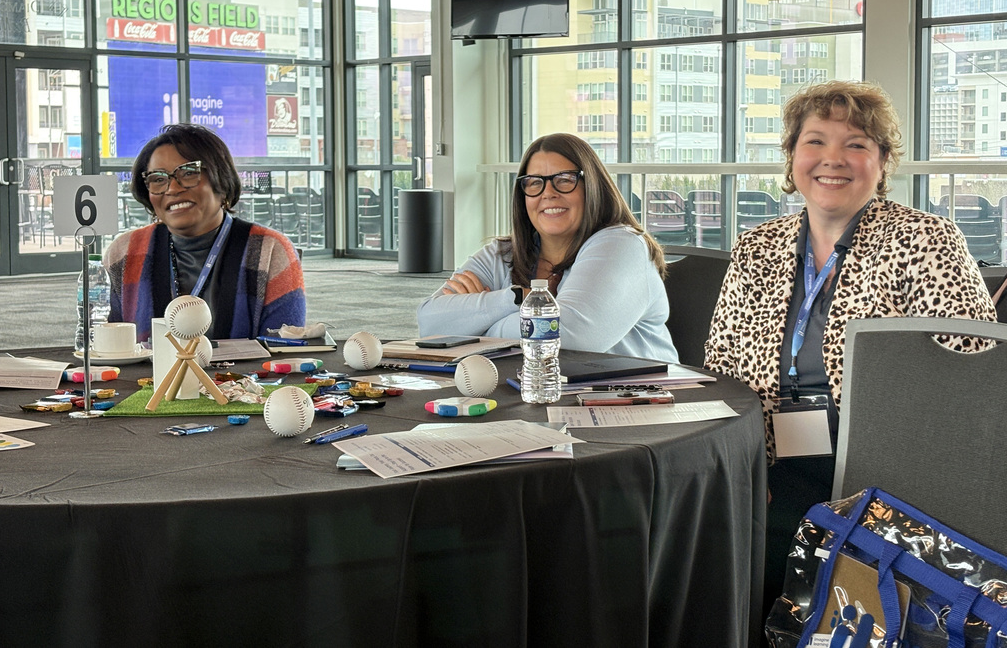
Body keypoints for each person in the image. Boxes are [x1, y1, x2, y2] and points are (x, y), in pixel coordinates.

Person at [702, 80, 997, 617]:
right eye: (814, 142)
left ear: (883, 163)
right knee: (727, 556)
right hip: (773, 463)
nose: (831, 159)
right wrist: (742, 468)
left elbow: (971, 379)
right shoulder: (759, 245)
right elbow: (721, 367)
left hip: (889, 477)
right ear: (792, 156)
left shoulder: (926, 239)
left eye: (856, 144)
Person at [417, 132, 678, 362]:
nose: (548, 193)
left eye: (565, 179)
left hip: (636, 402)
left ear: (593, 187)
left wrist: (474, 328)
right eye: (534, 182)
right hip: (540, 398)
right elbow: (430, 324)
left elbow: (569, 337)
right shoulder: (502, 253)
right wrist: (517, 297)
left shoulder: (622, 245)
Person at [105, 123, 306, 342]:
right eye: (158, 179)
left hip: (244, 377)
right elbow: (111, 348)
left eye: (189, 173)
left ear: (221, 179)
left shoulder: (271, 251)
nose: (172, 189)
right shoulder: (124, 252)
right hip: (146, 377)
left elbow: (283, 351)